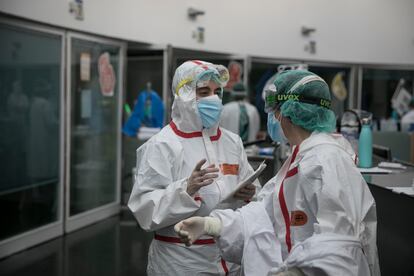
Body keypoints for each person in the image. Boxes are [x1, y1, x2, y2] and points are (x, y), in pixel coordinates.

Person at [175, 70, 380, 276]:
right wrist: (211, 225)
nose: (272, 118)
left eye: (274, 111)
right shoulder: (300, 158)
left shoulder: (327, 161)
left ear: (287, 112)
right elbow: (262, 214)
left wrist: (299, 272)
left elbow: (340, 243)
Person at [128, 60, 261, 275]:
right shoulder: (161, 145)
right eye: (203, 91)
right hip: (181, 262)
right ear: (184, 95)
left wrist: (249, 194)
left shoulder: (232, 142)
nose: (214, 99)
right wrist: (186, 190)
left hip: (230, 259)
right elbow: (144, 211)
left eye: (217, 92)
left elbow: (256, 197)